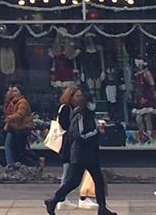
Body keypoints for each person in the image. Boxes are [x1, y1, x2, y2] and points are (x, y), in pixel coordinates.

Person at [46, 84, 116, 215]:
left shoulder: (89, 114)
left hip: (90, 153)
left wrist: (98, 127)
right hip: (80, 154)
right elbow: (80, 134)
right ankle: (54, 200)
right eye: (92, 102)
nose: (93, 105)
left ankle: (102, 208)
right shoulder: (79, 114)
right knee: (73, 181)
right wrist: (96, 132)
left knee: (98, 180)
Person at [7, 85, 38, 169]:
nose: (14, 93)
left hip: (21, 128)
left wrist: (9, 118)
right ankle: (14, 164)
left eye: (16, 91)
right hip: (15, 127)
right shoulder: (14, 102)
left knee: (21, 149)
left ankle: (35, 160)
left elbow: (20, 114)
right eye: (13, 91)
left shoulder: (22, 102)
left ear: (21, 92)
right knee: (15, 147)